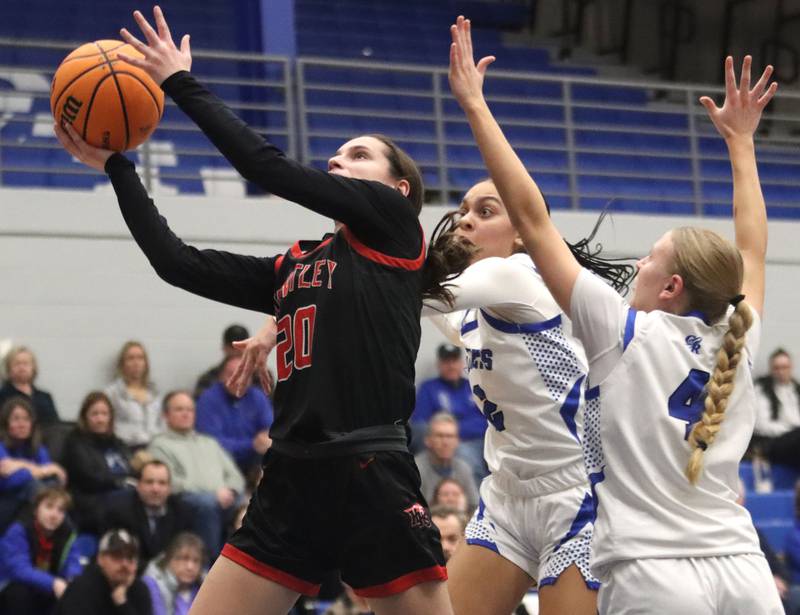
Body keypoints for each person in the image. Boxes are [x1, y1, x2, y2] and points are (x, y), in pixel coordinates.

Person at [54, 7, 473, 614]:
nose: (337, 163)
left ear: (397, 187)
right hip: (290, 478)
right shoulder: (295, 267)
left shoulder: (392, 226)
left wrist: (177, 81)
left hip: (369, 470)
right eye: (336, 156)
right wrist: (120, 168)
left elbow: (264, 167)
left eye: (356, 155)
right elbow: (177, 262)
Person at [449, 15, 781, 613]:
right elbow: (753, 248)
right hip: (741, 565)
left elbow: (531, 220)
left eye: (650, 258)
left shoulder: (621, 331)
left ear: (671, 286)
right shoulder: (739, 331)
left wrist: (474, 105)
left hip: (652, 570)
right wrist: (742, 143)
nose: (635, 264)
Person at [147, 391, 244, 556]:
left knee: (250, 504)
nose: (186, 413)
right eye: (179, 409)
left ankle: (245, 563)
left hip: (224, 498)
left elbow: (235, 476)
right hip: (186, 501)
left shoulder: (209, 442)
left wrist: (231, 491)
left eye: (190, 410)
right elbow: (171, 482)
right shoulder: (159, 445)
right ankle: (210, 566)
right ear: (166, 415)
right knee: (206, 505)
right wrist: (215, 494)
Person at [0, 487, 82, 615]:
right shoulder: (18, 530)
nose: (54, 515)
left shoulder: (67, 533)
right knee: (19, 592)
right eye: (49, 507)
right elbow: (19, 570)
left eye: (61, 510)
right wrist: (53, 583)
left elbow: (73, 560)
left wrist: (72, 577)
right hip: (11, 586)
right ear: (36, 509)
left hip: (45, 586)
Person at [103, 458, 192, 571]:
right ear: (138, 486)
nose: (155, 489)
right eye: (149, 482)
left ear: (169, 488)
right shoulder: (120, 512)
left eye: (162, 483)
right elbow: (118, 557)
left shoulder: (182, 512)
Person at [62, 391, 133, 533]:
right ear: (85, 417)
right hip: (91, 500)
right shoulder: (75, 442)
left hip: (122, 493)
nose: (100, 419)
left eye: (104, 414)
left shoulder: (117, 443)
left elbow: (131, 469)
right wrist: (120, 482)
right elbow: (89, 478)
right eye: (95, 414)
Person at [412, 344, 486, 480]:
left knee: (475, 458)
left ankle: (480, 500)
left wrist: (454, 428)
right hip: (444, 443)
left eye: (454, 361)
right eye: (446, 361)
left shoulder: (474, 386)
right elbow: (420, 423)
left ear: (462, 363)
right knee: (464, 456)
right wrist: (447, 433)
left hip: (478, 441)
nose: (451, 365)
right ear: (439, 364)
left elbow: (486, 421)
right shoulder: (429, 388)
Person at [196, 355, 273, 474]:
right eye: (231, 374)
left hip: (254, 461)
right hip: (221, 462)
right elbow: (211, 443)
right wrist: (251, 445)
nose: (238, 379)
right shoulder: (208, 399)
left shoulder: (258, 396)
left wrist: (265, 440)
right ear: (220, 377)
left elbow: (270, 430)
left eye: (244, 374)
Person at [0, 397, 66, 531]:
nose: (22, 424)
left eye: (26, 419)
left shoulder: (39, 450)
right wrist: (42, 470)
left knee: (51, 486)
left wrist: (18, 465)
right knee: (32, 485)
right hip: (6, 506)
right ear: (6, 424)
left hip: (31, 508)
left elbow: (57, 479)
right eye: (16, 419)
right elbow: (9, 481)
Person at [55, 528, 152, 615]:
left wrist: (122, 604)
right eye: (117, 556)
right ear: (100, 558)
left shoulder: (140, 590)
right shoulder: (81, 589)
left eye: (130, 558)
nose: (124, 564)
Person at [414, 413, 479, 511]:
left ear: (457, 441)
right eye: (440, 436)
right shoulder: (416, 468)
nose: (445, 442)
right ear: (428, 440)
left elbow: (474, 507)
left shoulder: (463, 468)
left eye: (450, 436)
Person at [106, 341, 163, 450]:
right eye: (131, 358)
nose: (136, 363)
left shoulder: (155, 393)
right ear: (122, 364)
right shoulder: (112, 393)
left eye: (140, 358)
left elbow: (162, 423)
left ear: (146, 363)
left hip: (156, 447)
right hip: (127, 448)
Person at [753, 348, 800, 462]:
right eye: (777, 368)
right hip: (773, 442)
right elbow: (761, 425)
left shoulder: (796, 389)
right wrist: (791, 431)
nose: (781, 371)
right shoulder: (761, 389)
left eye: (785, 367)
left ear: (791, 367)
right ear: (771, 369)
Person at [142, 532, 205, 615]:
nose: (190, 567)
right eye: (184, 559)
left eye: (196, 561)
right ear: (169, 559)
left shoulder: (202, 586)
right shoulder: (152, 583)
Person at [0, 346, 59, 425]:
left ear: (33, 368)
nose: (22, 367)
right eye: (17, 364)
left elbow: (55, 426)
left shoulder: (45, 397)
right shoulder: (2, 396)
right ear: (9, 368)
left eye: (26, 363)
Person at [194, 324, 251, 399]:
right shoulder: (208, 378)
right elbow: (201, 405)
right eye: (233, 347)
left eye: (242, 347)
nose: (237, 351)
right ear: (224, 347)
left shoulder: (261, 377)